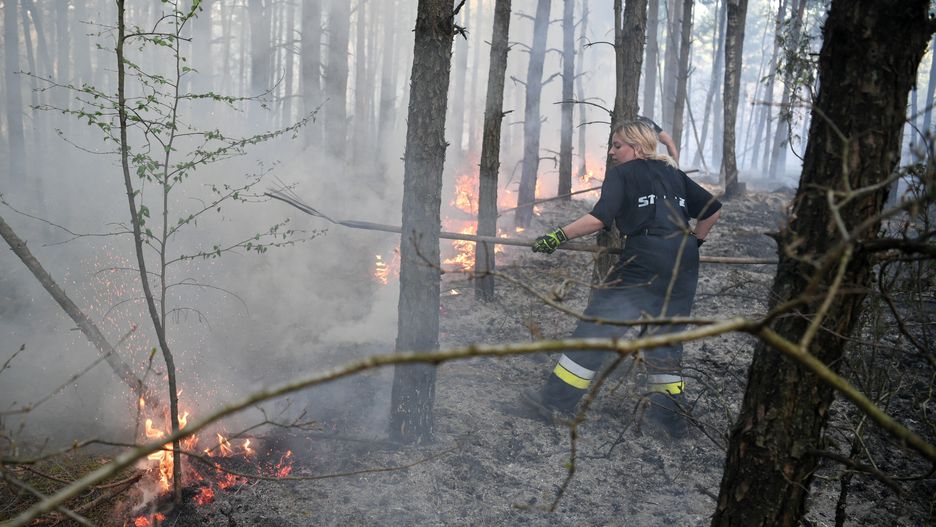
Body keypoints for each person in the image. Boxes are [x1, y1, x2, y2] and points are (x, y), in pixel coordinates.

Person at [522, 119, 721, 438]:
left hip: (644, 256)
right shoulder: (673, 173)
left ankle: (554, 402)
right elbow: (712, 210)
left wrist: (557, 236)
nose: (612, 152)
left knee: (598, 326)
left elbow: (599, 219)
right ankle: (670, 420)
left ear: (637, 147)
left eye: (618, 145)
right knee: (664, 337)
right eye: (611, 146)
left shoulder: (623, 175)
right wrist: (694, 242)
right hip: (684, 260)